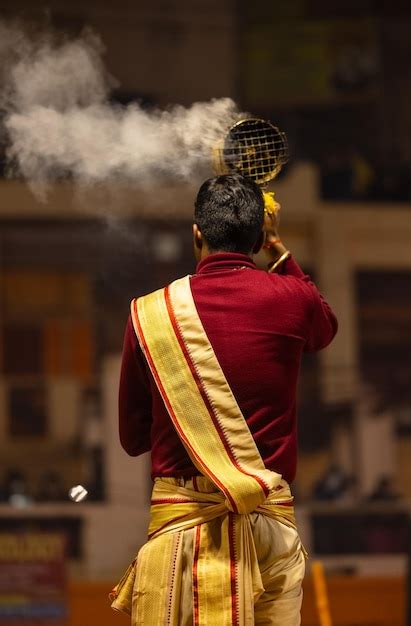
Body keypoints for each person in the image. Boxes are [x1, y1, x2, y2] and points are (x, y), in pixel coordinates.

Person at [111, 174, 338, 625]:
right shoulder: (294, 299)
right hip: (269, 529)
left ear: (197, 233)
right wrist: (280, 250)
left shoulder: (150, 313)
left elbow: (134, 439)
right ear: (259, 237)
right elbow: (325, 326)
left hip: (181, 532)